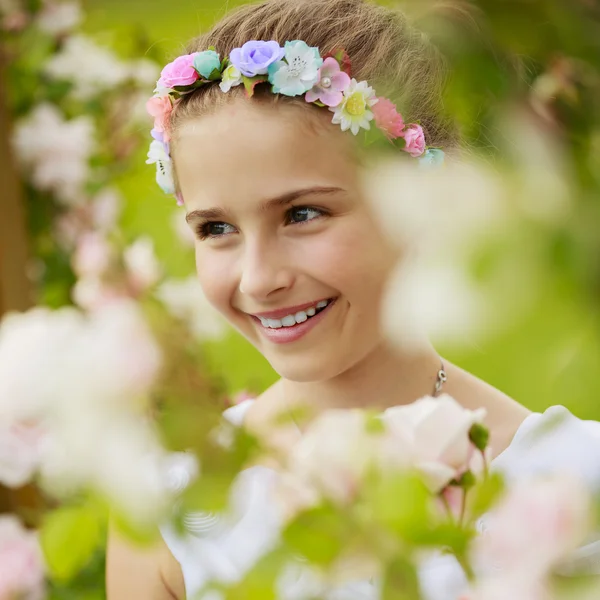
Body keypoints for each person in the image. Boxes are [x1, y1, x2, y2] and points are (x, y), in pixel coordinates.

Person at [106, 0, 600, 598]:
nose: (259, 279)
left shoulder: (568, 485)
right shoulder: (169, 496)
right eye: (215, 229)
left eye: (302, 214)